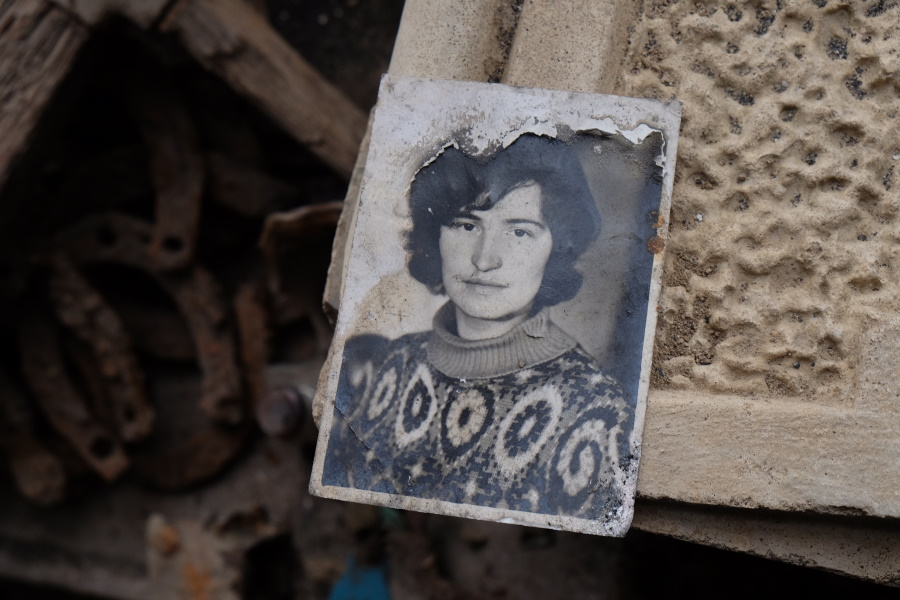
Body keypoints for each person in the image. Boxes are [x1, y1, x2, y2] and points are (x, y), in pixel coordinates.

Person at [323, 134, 633, 519]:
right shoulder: (394, 362)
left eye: (519, 232)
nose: (485, 260)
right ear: (435, 236)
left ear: (557, 249)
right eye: (467, 225)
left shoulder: (596, 408)